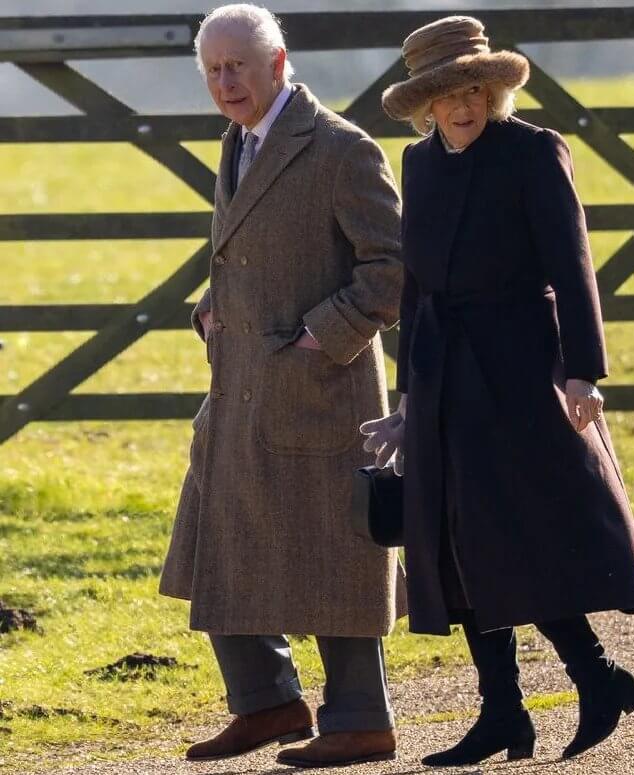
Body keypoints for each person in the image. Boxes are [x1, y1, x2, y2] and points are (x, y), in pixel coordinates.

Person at [361, 15, 634, 766]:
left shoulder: (531, 152)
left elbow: (572, 263)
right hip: (440, 376)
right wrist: (404, 401)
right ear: (423, 106)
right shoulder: (418, 164)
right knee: (456, 547)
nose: (462, 104)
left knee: (519, 534)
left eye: (474, 87)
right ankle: (506, 712)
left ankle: (595, 673)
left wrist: (583, 370)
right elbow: (417, 290)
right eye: (445, 94)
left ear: (493, 90)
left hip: (522, 372)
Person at [159, 4, 405, 768]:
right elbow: (246, 255)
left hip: (319, 390)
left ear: (279, 61)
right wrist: (211, 307)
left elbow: (392, 270)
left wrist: (317, 337)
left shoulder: (340, 149)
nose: (226, 82)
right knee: (217, 539)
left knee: (334, 553)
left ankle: (362, 719)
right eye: (213, 70)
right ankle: (268, 703)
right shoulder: (237, 142)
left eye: (238, 65)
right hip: (238, 387)